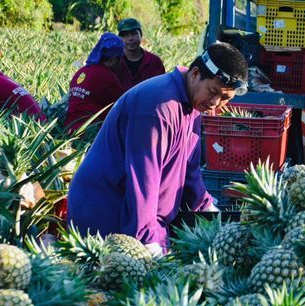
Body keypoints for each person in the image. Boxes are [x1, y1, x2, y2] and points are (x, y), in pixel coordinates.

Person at [67, 42, 249, 255]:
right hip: (107, 210)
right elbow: (144, 178)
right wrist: (148, 239)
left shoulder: (194, 105)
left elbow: (189, 169)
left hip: (144, 214)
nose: (216, 103)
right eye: (213, 91)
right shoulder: (158, 106)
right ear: (195, 73)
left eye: (225, 98)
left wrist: (206, 207)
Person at [64, 32, 125, 133]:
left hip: (68, 128)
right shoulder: (107, 76)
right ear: (112, 60)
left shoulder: (82, 71)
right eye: (119, 60)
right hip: (89, 132)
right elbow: (122, 105)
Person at [115, 18, 166, 91]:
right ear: (119, 38)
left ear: (141, 35)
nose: (130, 39)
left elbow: (161, 88)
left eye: (134, 34)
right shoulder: (115, 62)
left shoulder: (154, 62)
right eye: (125, 35)